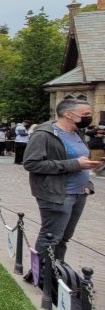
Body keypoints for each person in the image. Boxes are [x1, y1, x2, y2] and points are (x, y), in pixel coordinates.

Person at [23, 98, 98, 264]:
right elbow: (31, 163)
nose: (89, 117)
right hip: (57, 194)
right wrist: (74, 164)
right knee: (51, 236)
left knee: (64, 237)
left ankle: (57, 273)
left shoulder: (78, 132)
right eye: (85, 114)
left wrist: (87, 182)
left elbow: (79, 159)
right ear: (68, 114)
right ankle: (41, 274)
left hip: (79, 193)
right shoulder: (44, 134)